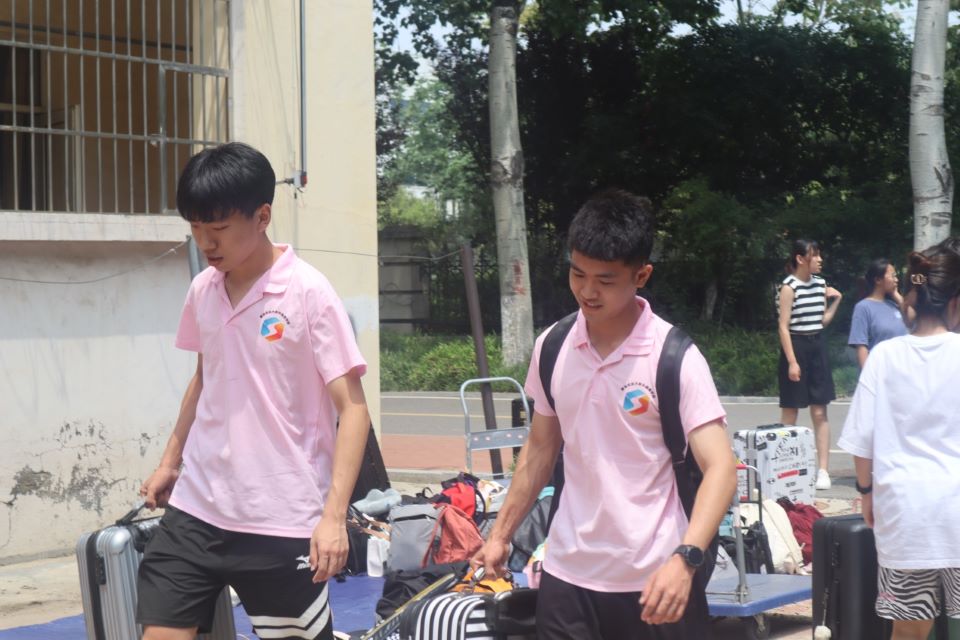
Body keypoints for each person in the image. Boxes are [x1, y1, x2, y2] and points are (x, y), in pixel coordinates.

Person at [472, 190, 737, 640]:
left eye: (605, 280)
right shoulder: (553, 347)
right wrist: (500, 534)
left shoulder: (673, 357)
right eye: (578, 274)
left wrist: (686, 558)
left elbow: (721, 469)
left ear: (641, 275)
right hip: (567, 574)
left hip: (654, 580)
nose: (587, 291)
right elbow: (540, 449)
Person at [135, 142, 370, 640]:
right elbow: (205, 377)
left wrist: (333, 518)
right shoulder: (203, 289)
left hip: (280, 518)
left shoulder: (308, 292)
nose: (206, 242)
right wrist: (170, 461)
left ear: (262, 216)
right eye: (196, 227)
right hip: (196, 509)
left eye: (219, 228)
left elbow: (353, 410)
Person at [838, 238, 960, 640]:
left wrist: (866, 493)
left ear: (913, 298)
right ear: (955, 302)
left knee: (908, 630)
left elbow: (862, 441)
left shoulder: (885, 356)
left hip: (905, 518)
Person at [776, 239, 842, 490]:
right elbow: (783, 326)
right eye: (815, 255)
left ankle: (823, 470)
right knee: (791, 410)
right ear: (800, 258)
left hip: (817, 346)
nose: (820, 260)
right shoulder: (788, 286)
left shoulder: (821, 284)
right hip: (796, 346)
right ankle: (783, 468)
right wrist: (792, 362)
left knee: (820, 411)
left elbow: (821, 320)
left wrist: (836, 300)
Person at [848, 258, 907, 368]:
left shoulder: (894, 305)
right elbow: (861, 346)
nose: (896, 280)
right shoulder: (863, 307)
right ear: (878, 280)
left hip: (902, 369)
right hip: (880, 370)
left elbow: (912, 318)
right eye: (893, 276)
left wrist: (896, 295)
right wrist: (867, 375)